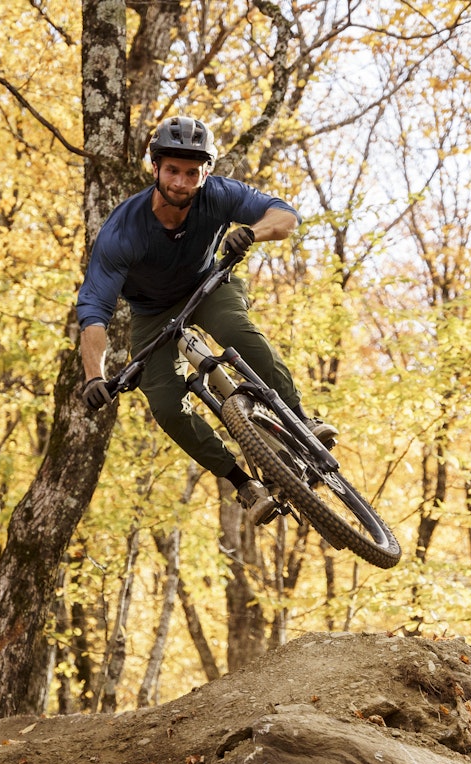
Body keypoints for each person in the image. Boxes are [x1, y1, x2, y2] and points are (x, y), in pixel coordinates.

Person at [76, 115, 335, 525]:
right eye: (172, 171)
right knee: (165, 405)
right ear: (155, 167)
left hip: (208, 287)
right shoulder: (123, 231)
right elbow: (93, 311)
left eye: (191, 173)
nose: (181, 182)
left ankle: (301, 419)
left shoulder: (217, 194)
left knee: (236, 330)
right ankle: (243, 483)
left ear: (206, 172)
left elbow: (284, 215)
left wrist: (252, 233)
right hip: (152, 314)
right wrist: (95, 376)